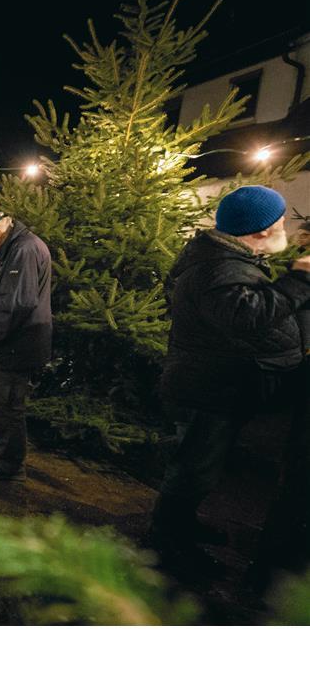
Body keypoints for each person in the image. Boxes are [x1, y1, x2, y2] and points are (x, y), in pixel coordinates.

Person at [151, 186, 310, 575]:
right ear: (258, 231)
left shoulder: (231, 258)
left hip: (219, 387)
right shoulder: (217, 268)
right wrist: (301, 280)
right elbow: (246, 314)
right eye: (279, 222)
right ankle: (167, 546)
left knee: (201, 469)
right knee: (192, 471)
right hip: (205, 391)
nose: (285, 228)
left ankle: (183, 524)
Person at [0, 209, 53, 480]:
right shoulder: (15, 248)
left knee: (7, 406)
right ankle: (6, 456)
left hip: (14, 347)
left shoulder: (23, 250)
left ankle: (9, 465)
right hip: (12, 345)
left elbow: (15, 304)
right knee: (4, 405)